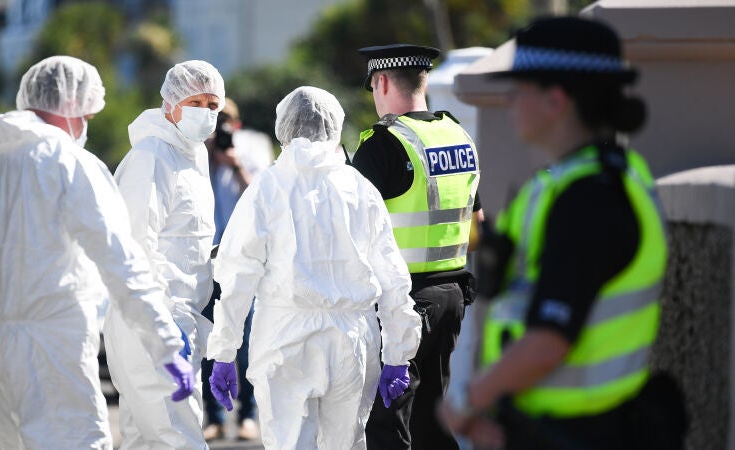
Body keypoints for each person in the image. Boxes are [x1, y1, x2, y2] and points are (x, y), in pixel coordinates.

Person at [439, 16, 685, 450]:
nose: (509, 101)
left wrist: (466, 401)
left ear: (556, 100)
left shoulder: (590, 200)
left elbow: (548, 342)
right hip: (548, 428)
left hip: (583, 434)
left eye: (519, 89)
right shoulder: (566, 184)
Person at [0, 55, 193, 449]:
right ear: (71, 104)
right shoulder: (68, 161)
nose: (85, 126)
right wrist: (165, 343)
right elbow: (120, 260)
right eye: (87, 116)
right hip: (51, 351)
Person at [205, 86, 422, 449]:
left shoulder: (267, 187)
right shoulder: (359, 188)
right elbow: (392, 275)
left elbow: (238, 275)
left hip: (285, 338)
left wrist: (224, 351)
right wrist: (399, 352)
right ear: (335, 126)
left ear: (284, 128)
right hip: (351, 338)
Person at [351, 44, 483, 450]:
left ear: (382, 82)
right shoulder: (457, 135)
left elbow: (348, 231)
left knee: (386, 423)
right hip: (452, 296)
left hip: (402, 306)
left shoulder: (382, 144)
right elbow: (476, 225)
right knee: (430, 420)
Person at [102, 60, 224, 449]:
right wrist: (164, 324)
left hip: (175, 323)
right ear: (170, 103)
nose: (205, 112)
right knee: (180, 440)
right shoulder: (151, 157)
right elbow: (136, 245)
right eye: (195, 102)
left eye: (212, 104)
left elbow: (182, 241)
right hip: (155, 325)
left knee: (144, 442)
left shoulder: (190, 156)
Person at [201, 98, 274, 441]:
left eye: (226, 120)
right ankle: (214, 417)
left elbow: (262, 199)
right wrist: (208, 156)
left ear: (238, 122)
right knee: (209, 340)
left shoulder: (253, 146)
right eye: (216, 121)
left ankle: (247, 415)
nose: (222, 127)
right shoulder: (199, 152)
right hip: (207, 258)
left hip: (244, 259)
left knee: (246, 343)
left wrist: (234, 164)